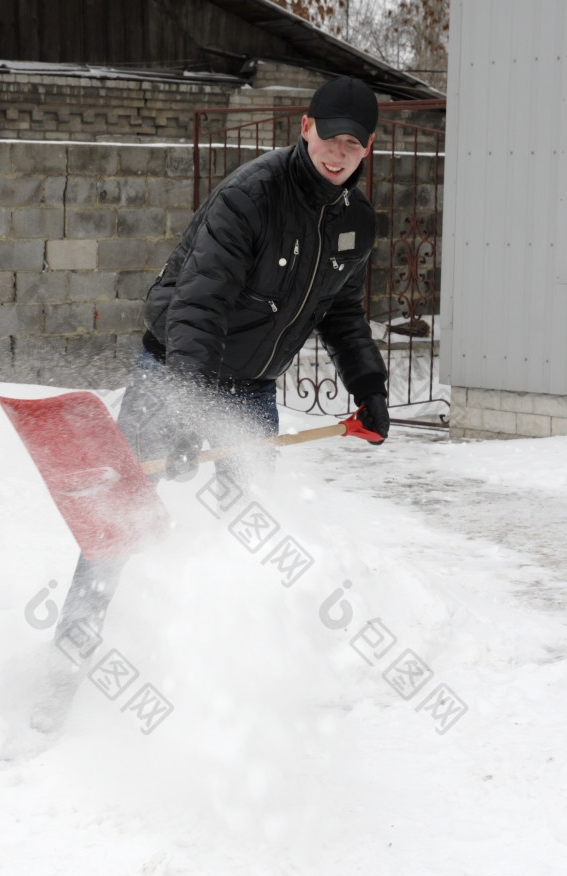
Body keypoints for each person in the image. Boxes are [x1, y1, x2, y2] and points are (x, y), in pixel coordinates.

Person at [32, 76, 390, 730]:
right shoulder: (250, 196)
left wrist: (369, 383)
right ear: (304, 127)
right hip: (175, 370)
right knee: (119, 520)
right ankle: (63, 674)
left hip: (250, 388)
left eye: (351, 143)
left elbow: (341, 309)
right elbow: (198, 307)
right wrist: (190, 408)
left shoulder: (354, 221)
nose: (337, 154)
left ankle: (228, 694)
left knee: (251, 533)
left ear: (366, 147)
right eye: (327, 136)